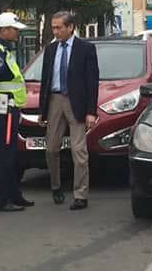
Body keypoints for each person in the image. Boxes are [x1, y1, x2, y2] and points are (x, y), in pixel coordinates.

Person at [39, 11, 99, 211]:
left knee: (79, 150)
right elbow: (45, 81)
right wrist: (42, 110)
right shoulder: (50, 50)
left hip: (77, 103)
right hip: (55, 100)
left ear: (70, 27)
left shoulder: (86, 49)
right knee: (51, 148)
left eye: (59, 27)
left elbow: (92, 82)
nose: (55, 31)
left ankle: (80, 194)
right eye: (53, 27)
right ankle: (56, 186)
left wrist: (91, 111)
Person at [0, 12, 34, 212]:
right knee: (4, 156)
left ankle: (14, 196)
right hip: (4, 111)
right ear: (4, 30)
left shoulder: (2, 49)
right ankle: (2, 201)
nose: (17, 34)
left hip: (9, 110)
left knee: (10, 155)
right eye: (15, 30)